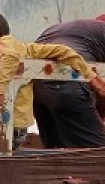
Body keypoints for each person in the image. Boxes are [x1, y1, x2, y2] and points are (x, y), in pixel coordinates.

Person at [0, 11, 105, 148]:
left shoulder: (2, 47)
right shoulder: (19, 48)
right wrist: (92, 78)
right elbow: (65, 51)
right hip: (60, 85)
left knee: (55, 151)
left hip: (36, 91)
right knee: (94, 152)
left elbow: (11, 57)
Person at [31, 17, 105, 148]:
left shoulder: (87, 29)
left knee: (55, 154)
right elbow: (101, 90)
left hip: (34, 80)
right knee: (96, 155)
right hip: (66, 78)